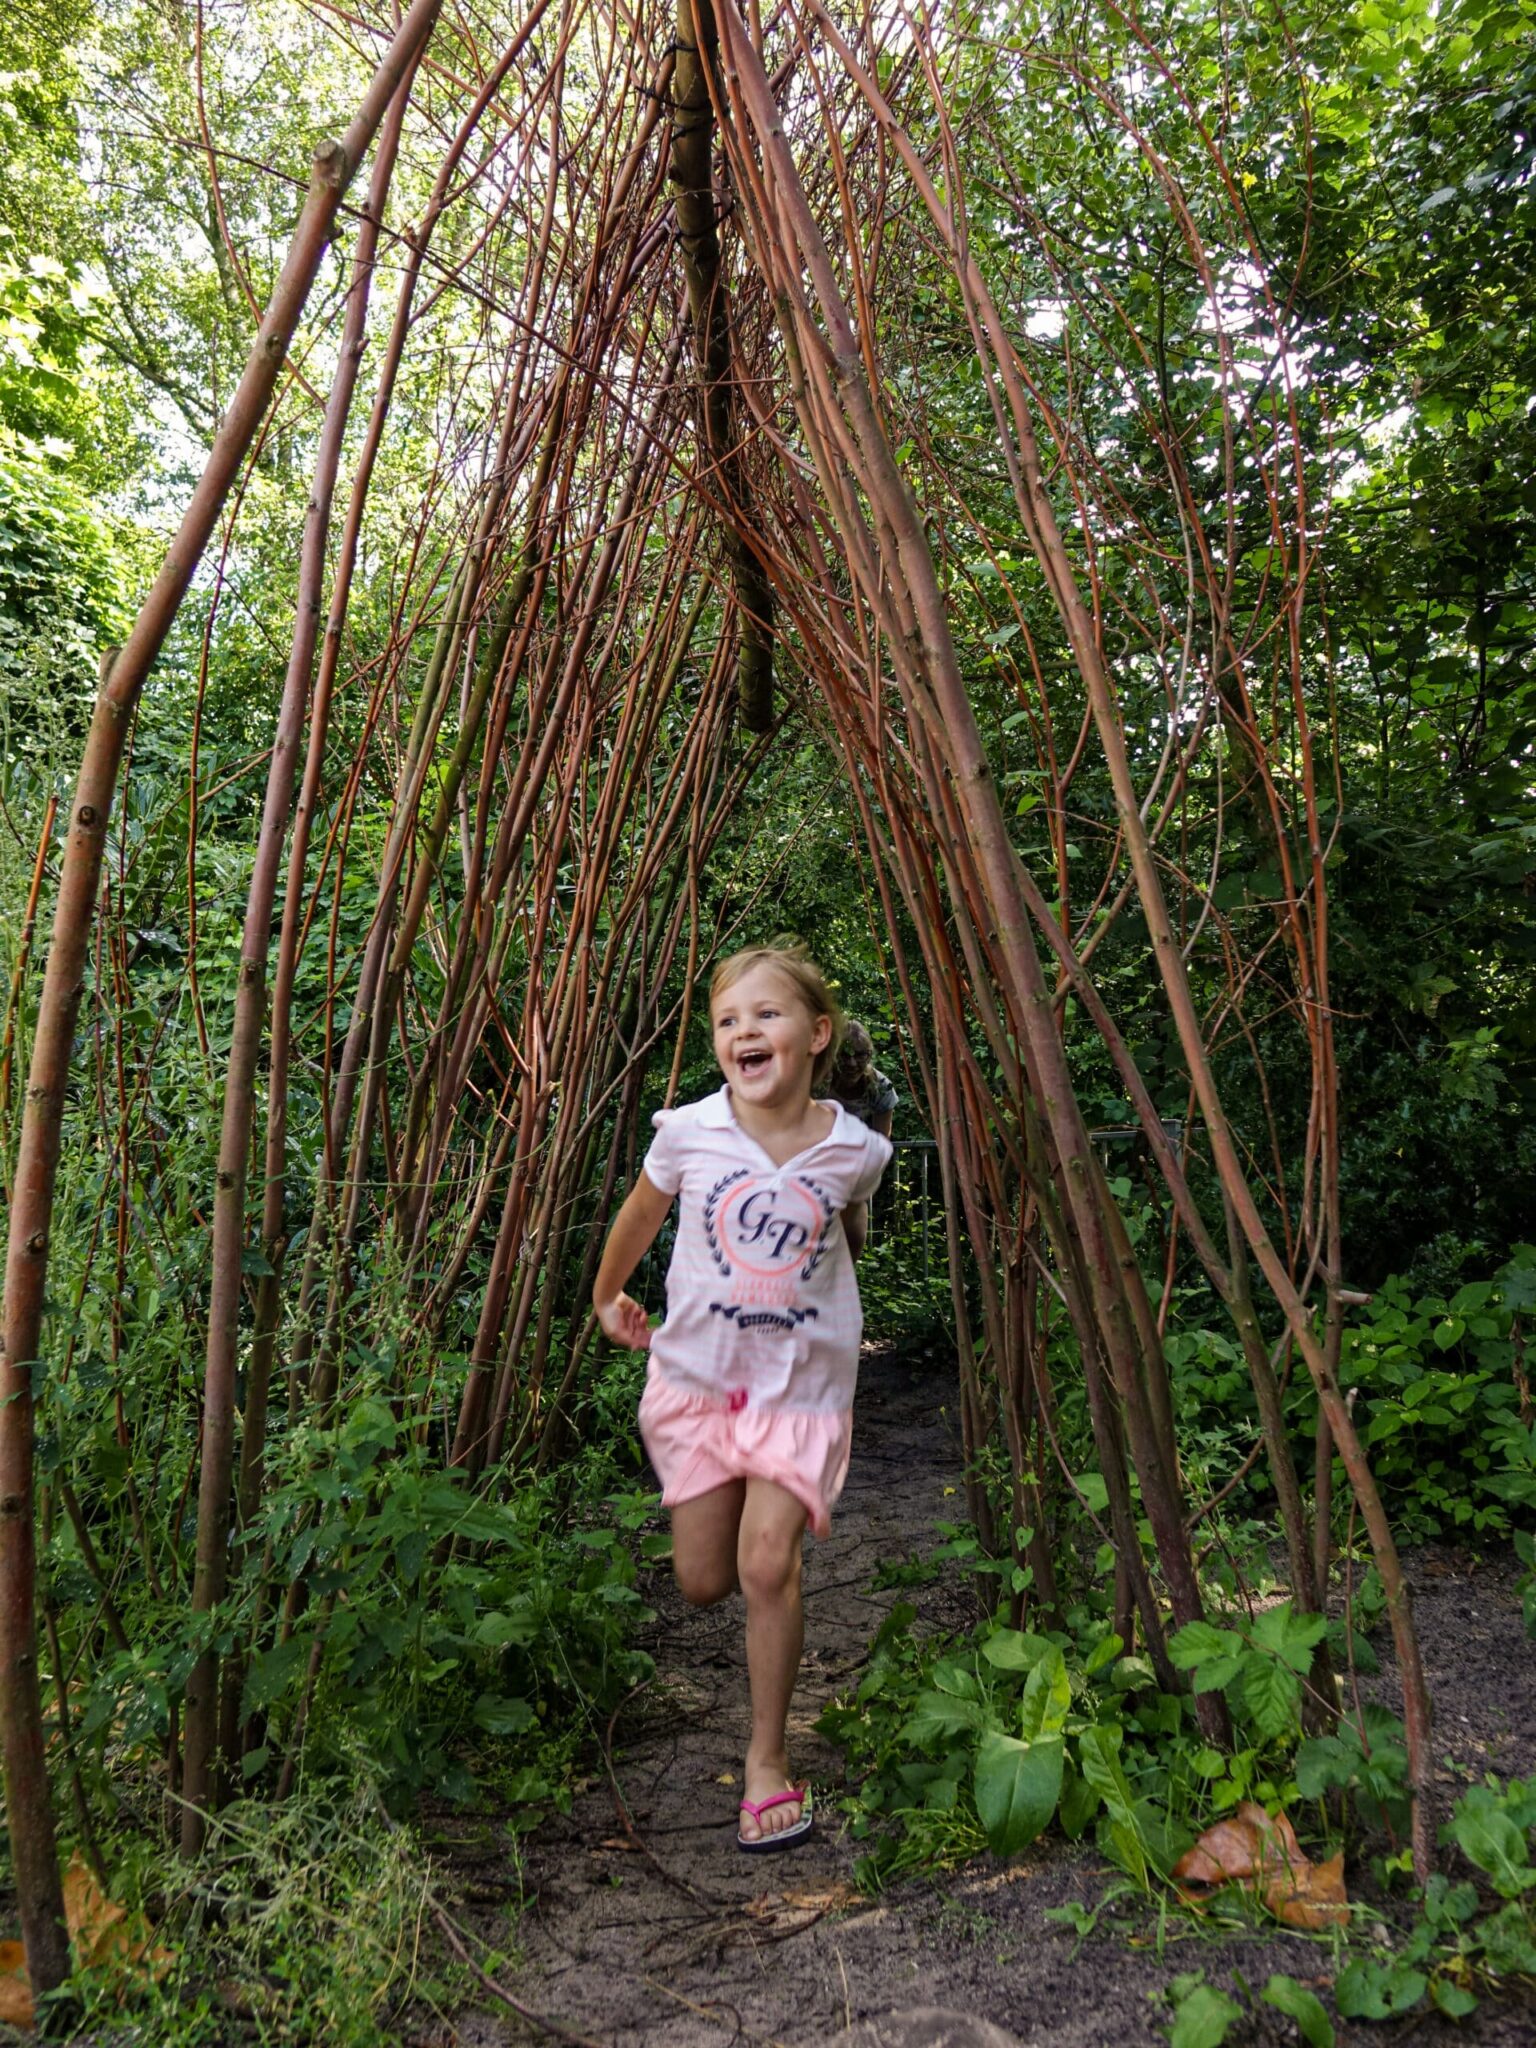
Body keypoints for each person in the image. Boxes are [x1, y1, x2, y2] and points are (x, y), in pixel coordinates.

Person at [592, 942, 891, 1851]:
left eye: (766, 1014)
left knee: (767, 1564)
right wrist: (609, 1295)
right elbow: (642, 1214)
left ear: (816, 1035)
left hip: (799, 1391)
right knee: (702, 1580)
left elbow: (846, 1229)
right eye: (728, 1020)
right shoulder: (688, 1131)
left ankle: (767, 1762)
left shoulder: (856, 1149)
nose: (744, 1031)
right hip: (699, 1385)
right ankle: (757, 1717)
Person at [827, 1018, 897, 1138]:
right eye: (844, 1055)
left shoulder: (881, 1088)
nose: (852, 1063)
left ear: (869, 1056)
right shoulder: (816, 1082)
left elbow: (880, 1142)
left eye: (860, 1055)